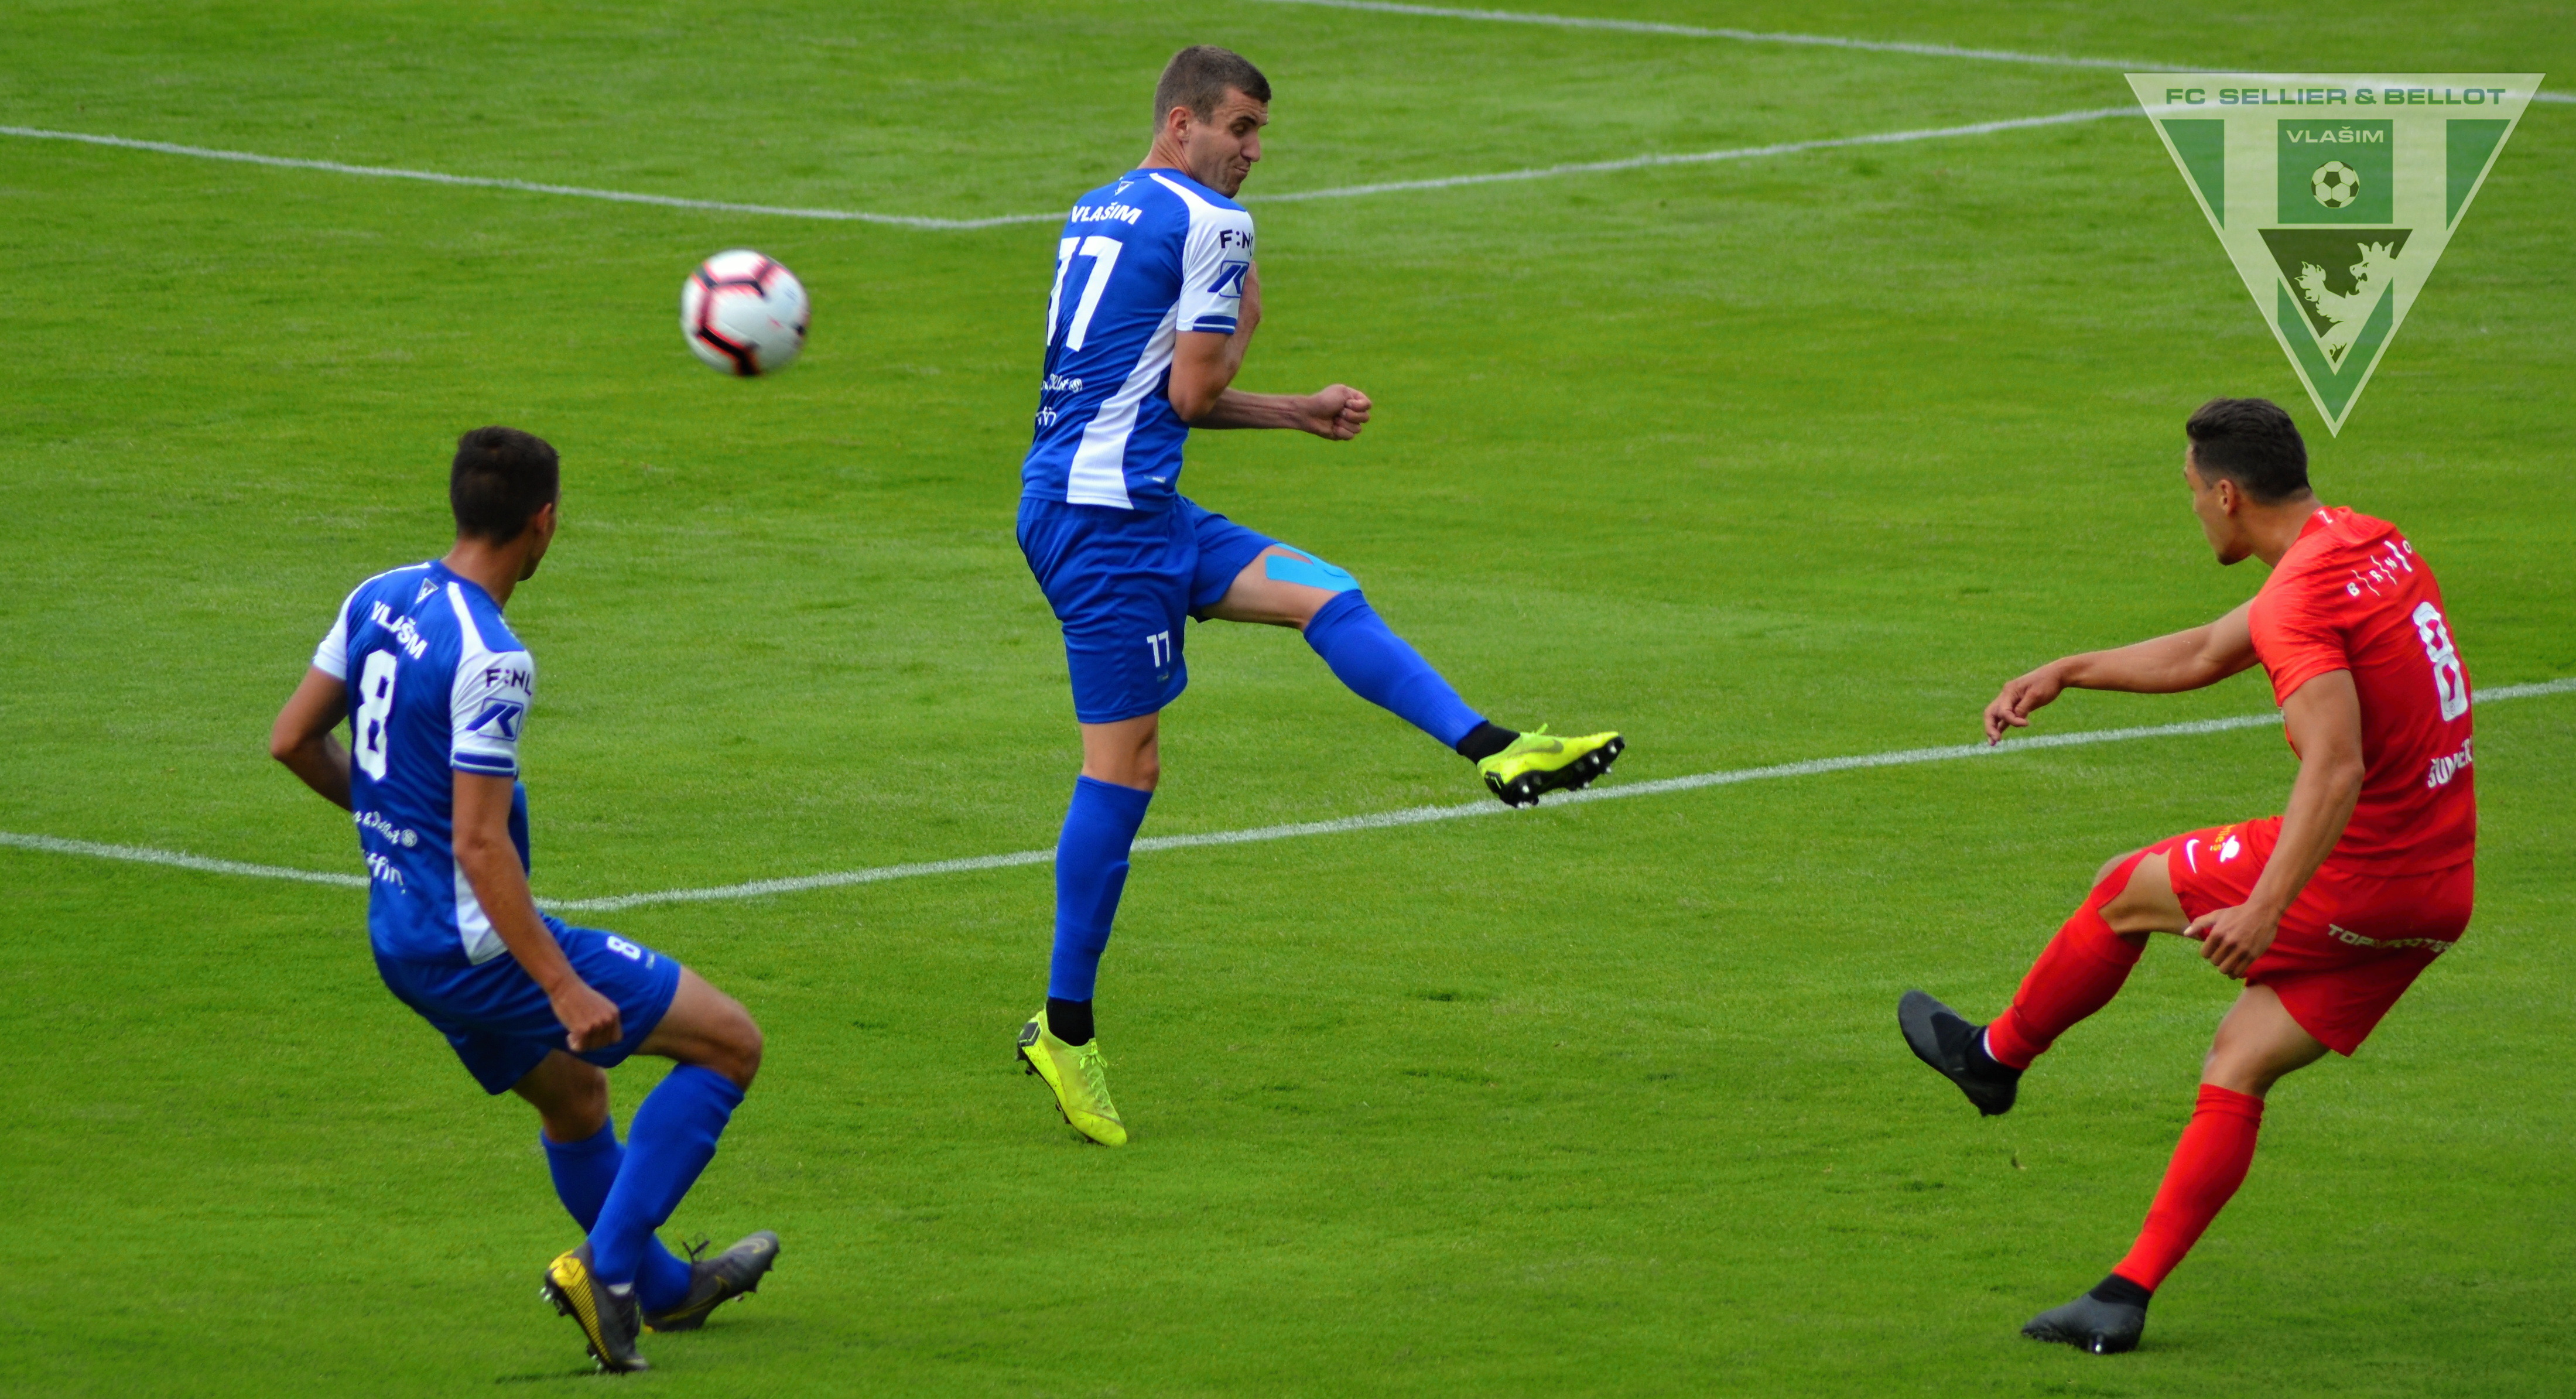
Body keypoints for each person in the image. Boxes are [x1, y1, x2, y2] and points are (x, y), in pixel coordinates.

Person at [1012, 45, 1626, 1147]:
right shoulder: (1215, 223)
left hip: (1124, 503)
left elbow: (1139, 385)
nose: (1253, 153)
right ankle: (1065, 1030)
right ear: (1183, 123)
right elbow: (1191, 391)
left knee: (1322, 592)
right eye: (1240, 129)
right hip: (1108, 531)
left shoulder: (1097, 205)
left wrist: (1280, 400)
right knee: (1125, 768)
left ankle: (1495, 747)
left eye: (1259, 134)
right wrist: (1260, 343)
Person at [1897, 398, 2477, 1353]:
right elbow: (2211, 649)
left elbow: (2337, 765)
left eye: (2192, 492)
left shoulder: (2298, 597)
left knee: (2124, 888)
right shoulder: (2371, 543)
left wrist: (2265, 906)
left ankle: (1994, 1059)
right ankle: (2122, 1297)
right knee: (2239, 1059)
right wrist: (2069, 669)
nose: (2195, 509)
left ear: (2228, 493)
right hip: (2439, 890)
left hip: (2361, 868)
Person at [269, 427, 779, 1371]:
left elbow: (293, 738)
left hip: (403, 939)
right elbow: (478, 842)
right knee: (729, 1044)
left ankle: (671, 1293)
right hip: (480, 947)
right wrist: (562, 984)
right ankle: (605, 1271)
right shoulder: (493, 658)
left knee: (578, 1098)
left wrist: (398, 824)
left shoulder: (378, 594)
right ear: (543, 523)